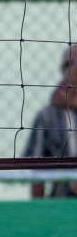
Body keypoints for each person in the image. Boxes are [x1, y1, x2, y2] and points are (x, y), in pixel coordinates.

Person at [24, 49, 77, 199]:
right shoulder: (47, 115)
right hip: (62, 202)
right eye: (69, 64)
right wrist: (39, 211)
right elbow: (36, 167)